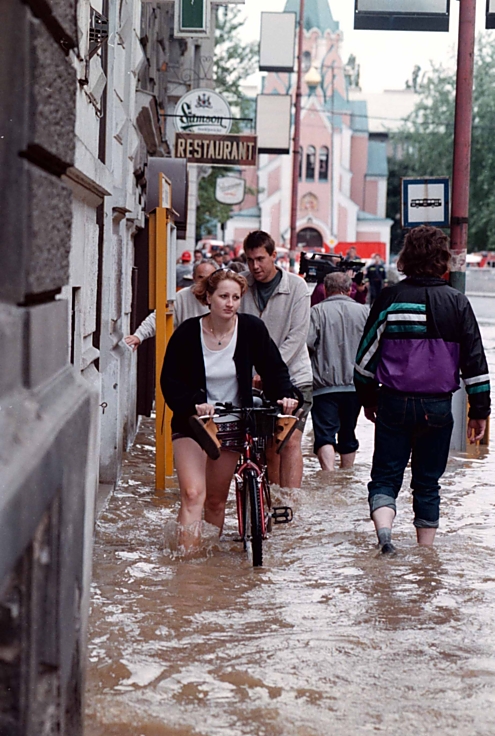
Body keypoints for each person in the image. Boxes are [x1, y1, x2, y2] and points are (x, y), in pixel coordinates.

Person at [354, 226, 490, 554]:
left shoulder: (390, 297)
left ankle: (385, 537)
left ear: (407, 257)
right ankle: (426, 556)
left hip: (394, 402)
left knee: (386, 478)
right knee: (427, 484)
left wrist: (368, 399)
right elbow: (475, 362)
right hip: (438, 407)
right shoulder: (457, 302)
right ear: (442, 258)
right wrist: (480, 412)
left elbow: (364, 360)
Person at [161, 269, 300, 549]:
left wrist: (285, 395)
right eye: (223, 296)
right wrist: (193, 404)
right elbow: (169, 380)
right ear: (208, 297)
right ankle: (188, 568)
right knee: (192, 493)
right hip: (193, 423)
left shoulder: (251, 329)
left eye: (236, 297)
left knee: (215, 500)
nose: (230, 303)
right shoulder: (188, 332)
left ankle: (210, 563)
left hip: (234, 422)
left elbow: (273, 368)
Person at [240, 230, 313, 489]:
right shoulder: (241, 285)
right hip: (252, 378)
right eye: (249, 260)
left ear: (274, 256)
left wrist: (268, 368)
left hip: (295, 376)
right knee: (269, 444)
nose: (255, 266)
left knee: (290, 440)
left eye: (260, 259)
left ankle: (291, 503)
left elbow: (297, 335)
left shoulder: (296, 287)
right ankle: (271, 502)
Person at [308, 272, 368, 471]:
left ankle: (328, 475)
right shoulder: (364, 312)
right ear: (350, 289)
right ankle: (347, 474)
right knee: (348, 431)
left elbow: (307, 345)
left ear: (325, 289)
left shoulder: (316, 312)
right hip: (356, 385)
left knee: (325, 434)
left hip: (324, 386)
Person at [124, 260, 216, 349]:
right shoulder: (182, 296)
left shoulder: (221, 297)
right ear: (193, 277)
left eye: (209, 278)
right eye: (201, 277)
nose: (204, 282)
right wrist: (139, 336)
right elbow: (159, 316)